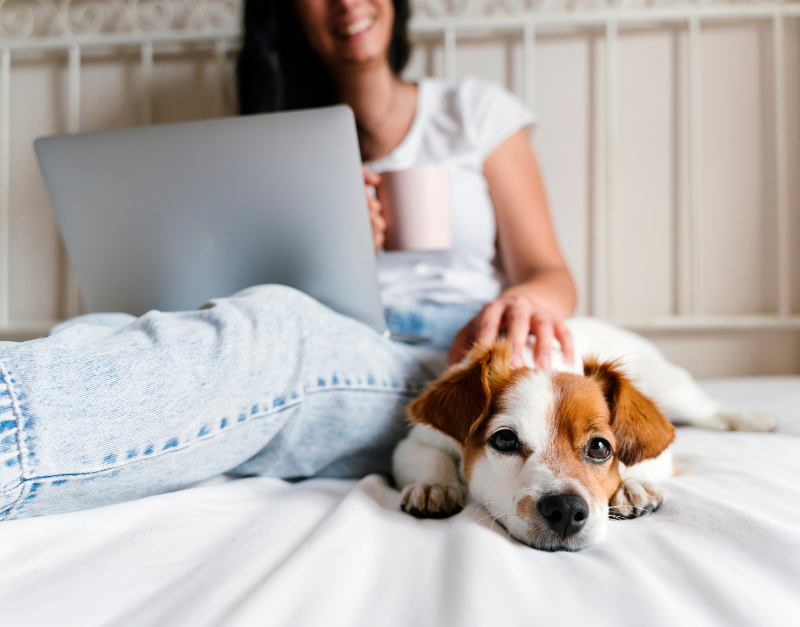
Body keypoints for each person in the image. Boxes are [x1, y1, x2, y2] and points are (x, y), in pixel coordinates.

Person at [0, 0, 575, 522]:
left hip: (450, 361)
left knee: (278, 329)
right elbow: (246, 297)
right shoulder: (276, 149)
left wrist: (523, 299)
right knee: (105, 332)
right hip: (346, 339)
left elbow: (551, 273)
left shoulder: (473, 110)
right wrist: (334, 238)